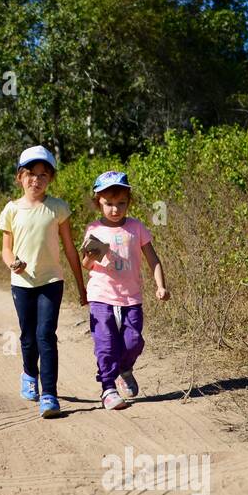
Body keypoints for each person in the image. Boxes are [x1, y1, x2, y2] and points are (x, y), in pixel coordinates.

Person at [0, 145, 88, 418]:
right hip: (22, 283)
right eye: (31, 174)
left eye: (43, 175)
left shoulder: (58, 208)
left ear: (51, 178)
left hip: (51, 281)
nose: (36, 180)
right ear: (19, 177)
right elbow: (5, 249)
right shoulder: (11, 210)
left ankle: (49, 394)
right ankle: (28, 374)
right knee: (28, 337)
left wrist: (81, 286)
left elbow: (70, 248)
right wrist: (12, 262)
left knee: (46, 335)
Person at [79, 171, 170, 410]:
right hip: (101, 295)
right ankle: (108, 388)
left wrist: (161, 286)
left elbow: (153, 258)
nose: (115, 209)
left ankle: (124, 368)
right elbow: (86, 264)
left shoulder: (136, 227)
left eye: (121, 203)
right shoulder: (94, 229)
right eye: (108, 204)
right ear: (98, 201)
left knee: (133, 342)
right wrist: (91, 255)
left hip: (131, 297)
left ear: (129, 201)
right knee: (106, 343)